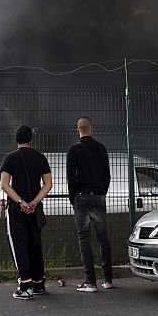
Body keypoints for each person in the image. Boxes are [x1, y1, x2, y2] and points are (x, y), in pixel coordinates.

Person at [0, 125, 52, 300]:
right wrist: (34, 202)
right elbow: (48, 184)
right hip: (35, 208)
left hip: (16, 209)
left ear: (17, 139)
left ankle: (25, 285)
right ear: (30, 139)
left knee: (19, 245)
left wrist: (21, 202)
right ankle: (38, 283)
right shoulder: (40, 158)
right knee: (35, 244)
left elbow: (4, 184)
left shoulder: (10, 158)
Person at [65, 116, 113, 292]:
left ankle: (90, 282)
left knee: (84, 237)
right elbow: (107, 176)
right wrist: (101, 192)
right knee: (103, 236)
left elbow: (71, 178)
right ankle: (107, 279)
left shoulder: (74, 150)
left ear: (78, 130)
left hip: (81, 198)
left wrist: (73, 198)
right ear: (92, 129)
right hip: (99, 196)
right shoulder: (101, 148)